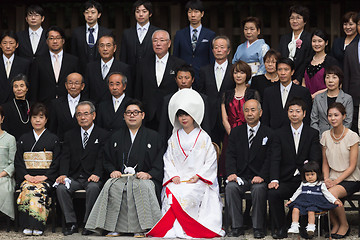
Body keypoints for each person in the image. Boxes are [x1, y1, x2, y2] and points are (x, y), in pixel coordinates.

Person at [148, 89, 225, 238]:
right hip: (178, 179)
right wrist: (173, 176)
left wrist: (199, 176)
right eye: (180, 115)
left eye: (187, 115)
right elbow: (168, 159)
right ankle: (174, 228)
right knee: (173, 192)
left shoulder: (204, 137)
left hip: (198, 180)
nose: (183, 118)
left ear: (194, 116)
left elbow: (210, 161)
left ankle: (192, 227)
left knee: (189, 193)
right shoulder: (174, 137)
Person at [86, 99, 164, 237]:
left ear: (143, 115)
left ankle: (141, 228)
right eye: (128, 113)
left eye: (136, 112)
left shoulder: (154, 136)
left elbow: (160, 161)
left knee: (142, 187)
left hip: (143, 177)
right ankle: (114, 227)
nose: (132, 115)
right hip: (121, 177)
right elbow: (107, 159)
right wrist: (112, 170)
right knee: (111, 186)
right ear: (124, 116)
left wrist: (150, 174)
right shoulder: (115, 136)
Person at [268, 98, 322, 239]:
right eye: (291, 111)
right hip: (285, 178)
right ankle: (281, 227)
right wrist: (274, 179)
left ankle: (303, 226)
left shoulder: (312, 133)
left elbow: (315, 159)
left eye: (298, 111)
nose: (294, 114)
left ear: (304, 114)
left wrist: (308, 176)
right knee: (273, 193)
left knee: (308, 193)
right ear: (287, 113)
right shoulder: (279, 133)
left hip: (304, 179)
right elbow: (275, 158)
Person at [55, 101, 108, 236]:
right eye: (79, 114)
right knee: (61, 188)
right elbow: (65, 157)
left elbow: (102, 158)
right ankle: (71, 223)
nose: (83, 117)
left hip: (93, 177)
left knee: (93, 188)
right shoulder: (69, 135)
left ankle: (88, 223)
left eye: (86, 114)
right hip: (75, 176)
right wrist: (63, 175)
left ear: (93, 115)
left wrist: (97, 173)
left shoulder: (103, 134)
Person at [225, 99, 273, 238]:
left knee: (258, 189)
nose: (249, 113)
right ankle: (237, 226)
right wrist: (232, 173)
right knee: (231, 187)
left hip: (259, 176)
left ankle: (258, 227)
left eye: (253, 110)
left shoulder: (268, 133)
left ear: (260, 112)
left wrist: (262, 175)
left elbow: (270, 158)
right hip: (240, 176)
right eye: (246, 110)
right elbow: (230, 155)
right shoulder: (236, 132)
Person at [14, 103, 60, 236]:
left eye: (41, 117)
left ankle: (38, 225)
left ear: (46, 119)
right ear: (30, 119)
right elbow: (19, 161)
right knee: (28, 188)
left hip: (45, 178)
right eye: (34, 117)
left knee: (39, 189)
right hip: (27, 177)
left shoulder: (53, 139)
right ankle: (27, 225)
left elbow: (56, 162)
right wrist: (26, 176)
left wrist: (45, 177)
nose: (37, 120)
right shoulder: (23, 139)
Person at [321, 102, 360, 238]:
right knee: (322, 190)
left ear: (344, 116)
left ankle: (344, 225)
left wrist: (335, 181)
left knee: (330, 193)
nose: (333, 118)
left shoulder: (352, 136)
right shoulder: (325, 135)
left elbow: (352, 166)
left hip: (350, 178)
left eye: (336, 115)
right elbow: (325, 163)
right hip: (331, 177)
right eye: (330, 115)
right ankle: (335, 224)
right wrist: (326, 178)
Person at [135, 30, 185, 131]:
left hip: (170, 113)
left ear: (169, 43)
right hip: (148, 114)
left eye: (162, 40)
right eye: (155, 40)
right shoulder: (143, 63)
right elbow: (138, 90)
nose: (158, 44)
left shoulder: (179, 64)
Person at [220, 61, 260, 178]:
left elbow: (255, 115)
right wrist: (233, 135)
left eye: (242, 72)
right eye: (236, 72)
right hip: (230, 133)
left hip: (250, 133)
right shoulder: (227, 94)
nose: (238, 75)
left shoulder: (253, 93)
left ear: (247, 75)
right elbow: (224, 119)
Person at [286, 161, 342, 236]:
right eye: (307, 175)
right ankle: (295, 225)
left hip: (315, 202)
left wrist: (334, 201)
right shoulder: (303, 184)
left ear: (317, 174)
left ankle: (311, 226)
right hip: (303, 201)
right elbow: (297, 193)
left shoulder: (320, 184)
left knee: (311, 210)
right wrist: (291, 200)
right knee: (295, 208)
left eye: (312, 174)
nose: (310, 177)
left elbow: (327, 194)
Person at [158, 64, 210, 142]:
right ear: (175, 79)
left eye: (187, 78)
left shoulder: (202, 98)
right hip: (174, 141)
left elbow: (205, 124)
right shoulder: (168, 99)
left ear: (193, 79)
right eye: (180, 78)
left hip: (197, 141)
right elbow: (163, 127)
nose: (183, 81)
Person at [198, 35, 234, 145]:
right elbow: (201, 93)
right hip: (209, 116)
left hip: (229, 115)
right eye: (216, 47)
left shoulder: (234, 70)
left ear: (228, 51)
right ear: (212, 50)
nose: (219, 50)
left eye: (222, 47)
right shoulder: (204, 70)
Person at [30, 26, 79, 104]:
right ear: (47, 41)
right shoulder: (38, 61)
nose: (55, 41)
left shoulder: (73, 61)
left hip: (67, 104)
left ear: (63, 41)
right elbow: (34, 86)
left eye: (58, 38)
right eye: (51, 38)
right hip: (45, 104)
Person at [120, 0, 159, 94]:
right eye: (137, 11)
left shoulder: (157, 33)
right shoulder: (127, 33)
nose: (140, 14)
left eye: (144, 11)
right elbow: (123, 57)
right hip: (130, 77)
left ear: (150, 14)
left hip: (151, 77)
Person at [262, 58, 312, 129]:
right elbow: (265, 118)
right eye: (280, 70)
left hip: (295, 134)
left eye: (286, 69)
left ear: (292, 72)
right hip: (273, 135)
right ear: (276, 71)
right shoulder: (269, 92)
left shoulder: (303, 92)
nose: (282, 73)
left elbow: (307, 118)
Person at [173, 0, 215, 83]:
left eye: (196, 12)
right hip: (184, 78)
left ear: (202, 14)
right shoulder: (179, 34)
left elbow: (212, 58)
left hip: (203, 76)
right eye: (190, 12)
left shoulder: (210, 34)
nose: (193, 15)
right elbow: (175, 57)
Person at [84, 34, 131, 104]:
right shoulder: (90, 67)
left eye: (108, 45)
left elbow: (128, 92)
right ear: (98, 49)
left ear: (114, 48)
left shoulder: (124, 68)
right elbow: (86, 92)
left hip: (114, 109)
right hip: (94, 109)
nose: (105, 49)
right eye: (102, 45)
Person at [311, 66, 353, 137]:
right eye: (327, 77)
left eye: (334, 77)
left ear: (340, 80)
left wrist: (337, 137)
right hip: (320, 138)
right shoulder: (318, 98)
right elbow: (314, 120)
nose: (330, 80)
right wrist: (321, 136)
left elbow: (348, 122)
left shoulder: (347, 98)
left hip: (340, 138)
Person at [71, 0, 112, 74]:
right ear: (84, 14)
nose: (89, 15)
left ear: (99, 15)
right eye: (87, 12)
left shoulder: (107, 33)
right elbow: (73, 55)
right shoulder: (76, 33)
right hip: (81, 73)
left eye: (93, 12)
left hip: (102, 73)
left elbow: (110, 56)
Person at [278, 5, 313, 85]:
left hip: (301, 80)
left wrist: (299, 78)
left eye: (298, 18)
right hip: (283, 79)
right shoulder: (284, 38)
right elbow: (279, 58)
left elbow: (308, 61)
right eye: (292, 18)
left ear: (305, 21)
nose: (294, 21)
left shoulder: (309, 38)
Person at [49, 72, 87, 142]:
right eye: (70, 83)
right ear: (66, 85)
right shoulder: (56, 104)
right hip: (62, 145)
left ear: (82, 86)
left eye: (76, 83)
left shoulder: (90, 104)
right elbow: (52, 128)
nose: (73, 86)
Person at [302, 29, 339, 99]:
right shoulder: (307, 60)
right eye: (314, 41)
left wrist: (316, 95)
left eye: (320, 41)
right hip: (307, 100)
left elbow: (338, 84)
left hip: (325, 100)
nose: (316, 44)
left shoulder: (331, 61)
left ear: (326, 43)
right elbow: (303, 82)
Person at [0, 31, 31, 105]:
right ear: (0, 45)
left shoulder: (25, 63)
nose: (8, 46)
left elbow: (29, 87)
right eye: (4, 43)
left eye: (11, 43)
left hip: (18, 105)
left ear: (17, 45)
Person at [343, 12, 360, 133]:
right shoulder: (350, 48)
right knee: (354, 131)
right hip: (354, 97)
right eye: (359, 24)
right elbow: (347, 76)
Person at [1, 74, 32, 140]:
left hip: (30, 143)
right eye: (15, 86)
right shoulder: (5, 108)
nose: (19, 89)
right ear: (12, 89)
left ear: (27, 88)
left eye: (22, 86)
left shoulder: (33, 106)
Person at [0, 106, 16, 221]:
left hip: (4, 175)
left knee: (4, 188)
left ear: (2, 119)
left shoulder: (10, 139)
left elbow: (13, 162)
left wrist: (2, 173)